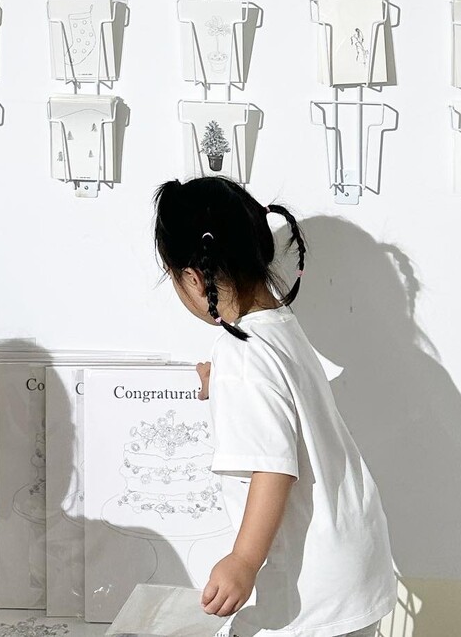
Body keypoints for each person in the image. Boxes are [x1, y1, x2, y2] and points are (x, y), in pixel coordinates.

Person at [153, 177, 396, 637]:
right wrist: (221, 388)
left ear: (193, 278)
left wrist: (243, 560)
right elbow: (287, 408)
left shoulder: (240, 354)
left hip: (309, 585)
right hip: (353, 559)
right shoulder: (280, 326)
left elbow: (273, 468)